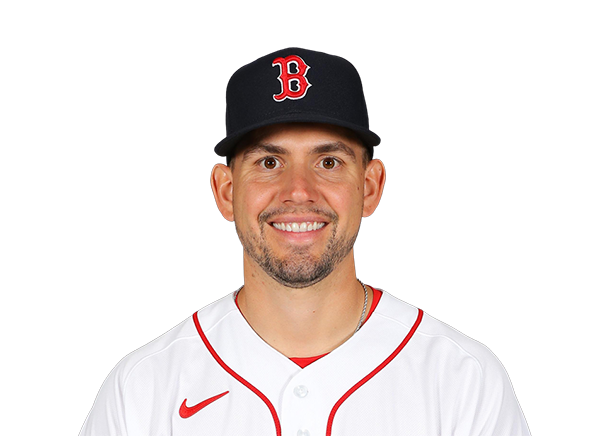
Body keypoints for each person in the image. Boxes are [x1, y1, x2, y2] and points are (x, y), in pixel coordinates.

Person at [80, 48, 530, 435]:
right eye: (270, 162)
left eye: (329, 162)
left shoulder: (463, 379)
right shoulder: (143, 387)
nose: (299, 190)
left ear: (370, 188)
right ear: (226, 192)